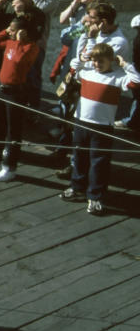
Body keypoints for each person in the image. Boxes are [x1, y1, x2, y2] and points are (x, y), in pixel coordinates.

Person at [60, 44, 140, 215]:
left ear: (111, 60)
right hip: (81, 123)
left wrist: (125, 64)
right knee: (79, 156)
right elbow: (72, 70)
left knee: (99, 163)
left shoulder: (118, 77)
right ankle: (77, 188)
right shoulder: (87, 73)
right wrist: (81, 59)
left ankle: (95, 196)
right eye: (94, 61)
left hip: (102, 127)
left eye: (101, 61)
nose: (97, 64)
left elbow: (137, 81)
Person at [0, 18, 40, 181]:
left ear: (23, 31)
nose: (9, 32)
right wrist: (6, 31)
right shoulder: (9, 42)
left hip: (16, 93)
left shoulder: (31, 47)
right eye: (9, 30)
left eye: (13, 30)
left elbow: (19, 60)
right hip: (1, 89)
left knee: (13, 131)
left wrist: (19, 40)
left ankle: (10, 166)